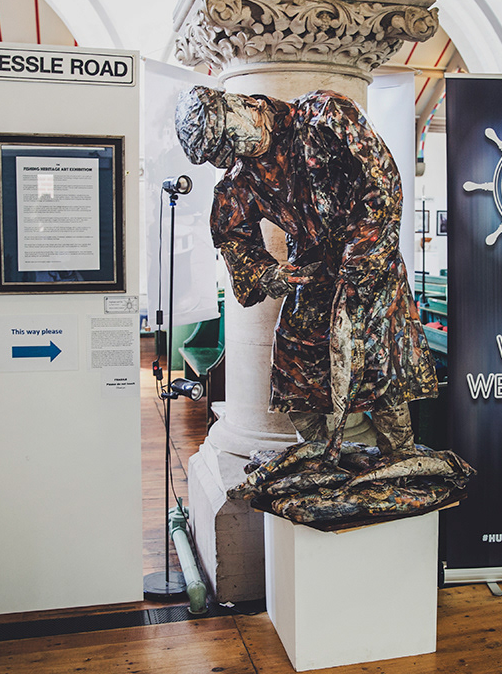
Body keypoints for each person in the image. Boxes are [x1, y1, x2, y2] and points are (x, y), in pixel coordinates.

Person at [175, 86, 438, 462]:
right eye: (223, 154)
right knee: (293, 362)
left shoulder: (324, 114)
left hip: (368, 261)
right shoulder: (240, 178)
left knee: (381, 361)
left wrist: (361, 260)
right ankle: (319, 452)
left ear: (248, 105)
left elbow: (381, 182)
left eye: (231, 139)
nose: (235, 154)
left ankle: (401, 454)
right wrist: (267, 274)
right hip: (311, 272)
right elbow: (232, 236)